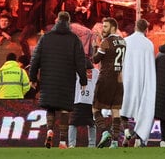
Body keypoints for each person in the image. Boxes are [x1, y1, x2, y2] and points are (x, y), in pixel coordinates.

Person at [29, 11, 89, 149]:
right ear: (69, 22)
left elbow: (35, 59)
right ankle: (62, 141)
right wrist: (83, 81)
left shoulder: (46, 38)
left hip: (48, 79)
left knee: (50, 107)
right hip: (67, 80)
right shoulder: (74, 39)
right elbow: (81, 62)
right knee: (64, 110)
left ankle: (50, 131)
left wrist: (33, 78)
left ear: (57, 21)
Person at [121, 18, 157, 147]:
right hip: (142, 81)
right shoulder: (148, 44)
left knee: (123, 109)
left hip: (127, 79)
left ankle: (126, 131)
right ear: (146, 29)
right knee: (141, 110)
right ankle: (137, 137)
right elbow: (150, 65)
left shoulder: (125, 41)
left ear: (135, 27)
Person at [94, 17, 128, 148]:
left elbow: (96, 59)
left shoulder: (106, 42)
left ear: (113, 27)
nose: (103, 29)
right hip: (119, 80)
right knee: (116, 111)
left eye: (106, 26)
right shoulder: (123, 41)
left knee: (95, 108)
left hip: (106, 78)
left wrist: (96, 45)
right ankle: (114, 142)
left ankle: (104, 132)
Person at [69, 68, 98, 148]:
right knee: (91, 123)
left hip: (78, 100)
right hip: (90, 101)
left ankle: (72, 144)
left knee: (73, 123)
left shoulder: (76, 70)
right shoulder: (96, 72)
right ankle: (92, 144)